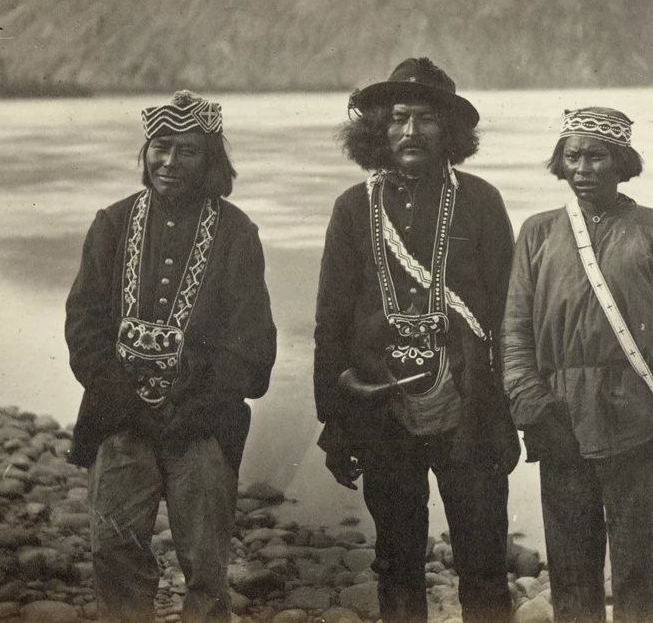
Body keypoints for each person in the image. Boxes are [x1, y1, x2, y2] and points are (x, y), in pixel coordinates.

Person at [313, 57, 521, 623]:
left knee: (483, 562)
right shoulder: (353, 208)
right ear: (377, 128)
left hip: (469, 409)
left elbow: (508, 316)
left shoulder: (480, 201)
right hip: (383, 412)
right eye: (398, 117)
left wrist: (504, 413)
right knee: (396, 560)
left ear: (449, 132)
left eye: (426, 118)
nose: (410, 131)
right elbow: (330, 323)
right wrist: (334, 419)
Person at [65, 90, 277, 623]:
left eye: (188, 151)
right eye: (160, 147)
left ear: (210, 162)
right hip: (119, 417)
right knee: (113, 552)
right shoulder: (111, 225)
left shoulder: (236, 233)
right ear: (145, 152)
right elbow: (84, 324)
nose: (169, 161)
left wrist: (196, 403)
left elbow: (250, 342)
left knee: (206, 565)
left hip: (202, 421)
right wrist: (123, 398)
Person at [500, 107, 653, 623]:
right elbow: (515, 335)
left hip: (639, 421)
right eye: (573, 156)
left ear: (621, 162)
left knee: (638, 569)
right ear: (560, 163)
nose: (584, 168)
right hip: (561, 421)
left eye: (597, 156)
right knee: (571, 572)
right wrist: (535, 412)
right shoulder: (538, 232)